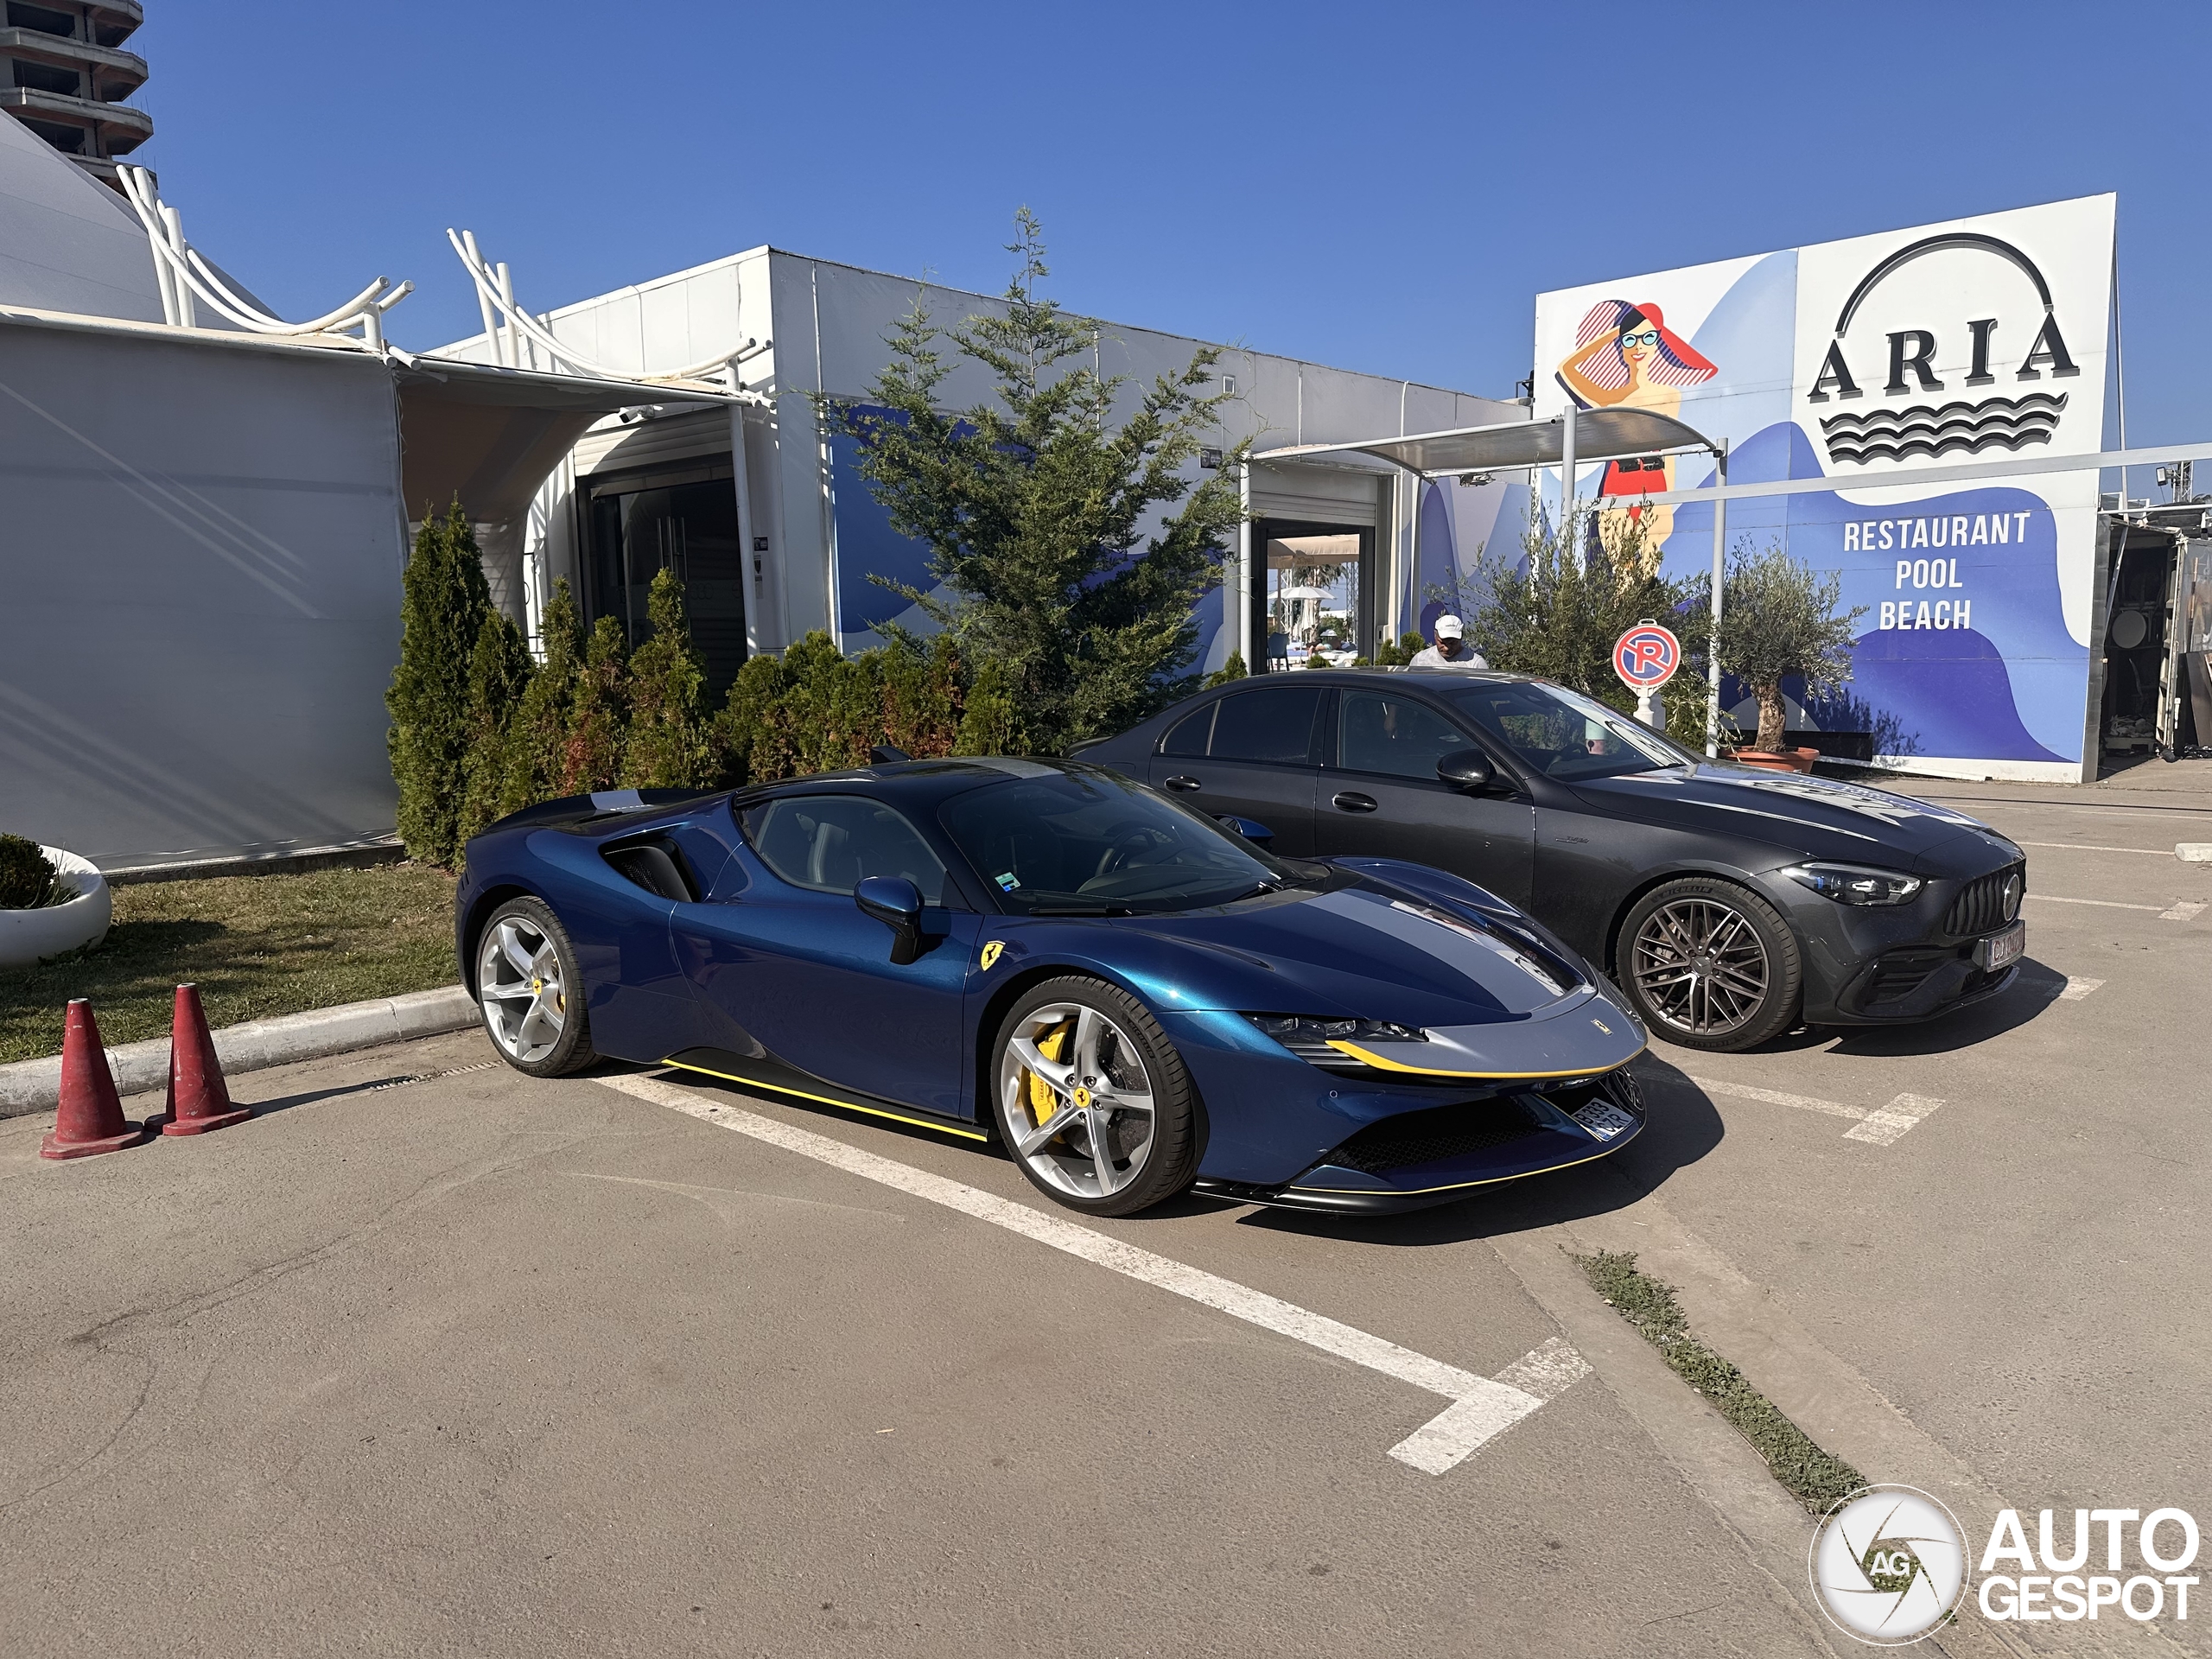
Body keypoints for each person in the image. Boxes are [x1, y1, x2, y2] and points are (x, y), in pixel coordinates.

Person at [1409, 614, 1488, 671]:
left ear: (1461, 638)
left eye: (1453, 643)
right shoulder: (1420, 660)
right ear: (1435, 635)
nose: (1447, 648)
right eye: (1442, 642)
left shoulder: (1475, 664)